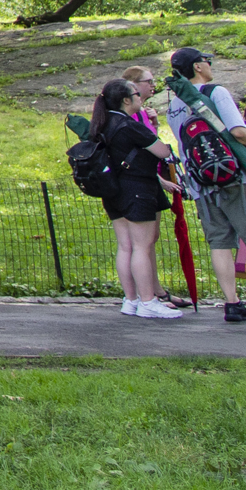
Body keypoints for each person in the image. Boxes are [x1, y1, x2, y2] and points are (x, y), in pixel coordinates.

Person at [164, 47, 246, 325]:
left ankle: (232, 304)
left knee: (220, 242)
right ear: (197, 67)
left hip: (202, 182)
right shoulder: (215, 93)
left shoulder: (175, 104)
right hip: (236, 177)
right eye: (207, 61)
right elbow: (238, 130)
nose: (210, 65)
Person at [88, 77, 183, 319]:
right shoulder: (129, 125)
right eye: (136, 94)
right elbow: (162, 151)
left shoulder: (102, 124)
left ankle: (130, 300)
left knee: (125, 247)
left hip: (112, 190)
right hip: (137, 188)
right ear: (127, 100)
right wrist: (154, 127)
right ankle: (149, 301)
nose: (141, 97)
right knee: (142, 245)